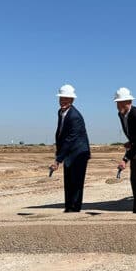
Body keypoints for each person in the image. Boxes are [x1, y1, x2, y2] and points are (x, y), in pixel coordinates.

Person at [50, 84, 91, 213]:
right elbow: (61, 134)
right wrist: (59, 154)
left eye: (66, 99)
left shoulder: (74, 116)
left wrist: (58, 160)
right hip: (69, 152)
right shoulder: (61, 112)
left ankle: (74, 208)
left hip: (79, 152)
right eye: (61, 98)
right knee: (68, 180)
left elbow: (70, 140)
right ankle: (69, 207)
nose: (63, 101)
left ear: (72, 100)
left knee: (76, 182)